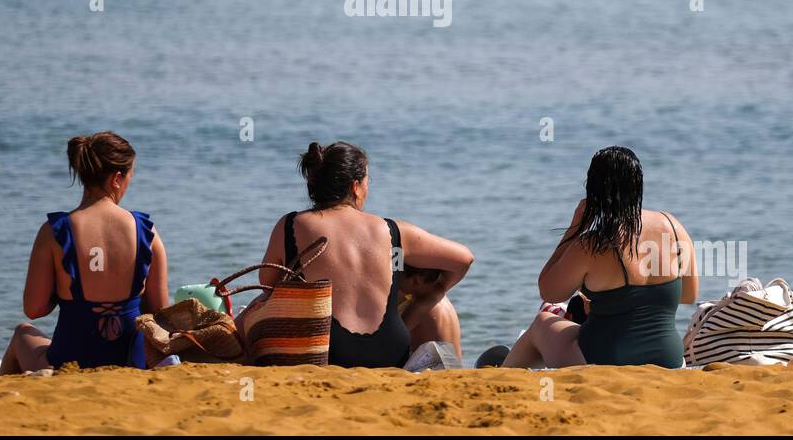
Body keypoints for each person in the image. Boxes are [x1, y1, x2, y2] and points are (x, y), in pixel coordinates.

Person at [255, 141, 473, 368]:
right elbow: (464, 259)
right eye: (368, 181)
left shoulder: (290, 224)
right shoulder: (392, 230)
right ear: (355, 186)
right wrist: (432, 294)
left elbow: (267, 284)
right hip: (389, 350)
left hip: (327, 351)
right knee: (440, 306)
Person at [501, 146, 697, 369]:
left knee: (543, 323)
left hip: (603, 359)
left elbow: (550, 292)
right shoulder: (672, 226)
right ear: (638, 185)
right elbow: (688, 295)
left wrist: (575, 228)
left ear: (594, 192)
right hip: (668, 359)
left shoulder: (590, 245)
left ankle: (503, 373)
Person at [0, 132, 168, 373]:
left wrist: (64, 289)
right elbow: (160, 314)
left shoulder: (55, 232)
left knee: (22, 332)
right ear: (117, 179)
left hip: (67, 362)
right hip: (129, 364)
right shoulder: (147, 233)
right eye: (131, 176)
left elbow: (34, 309)